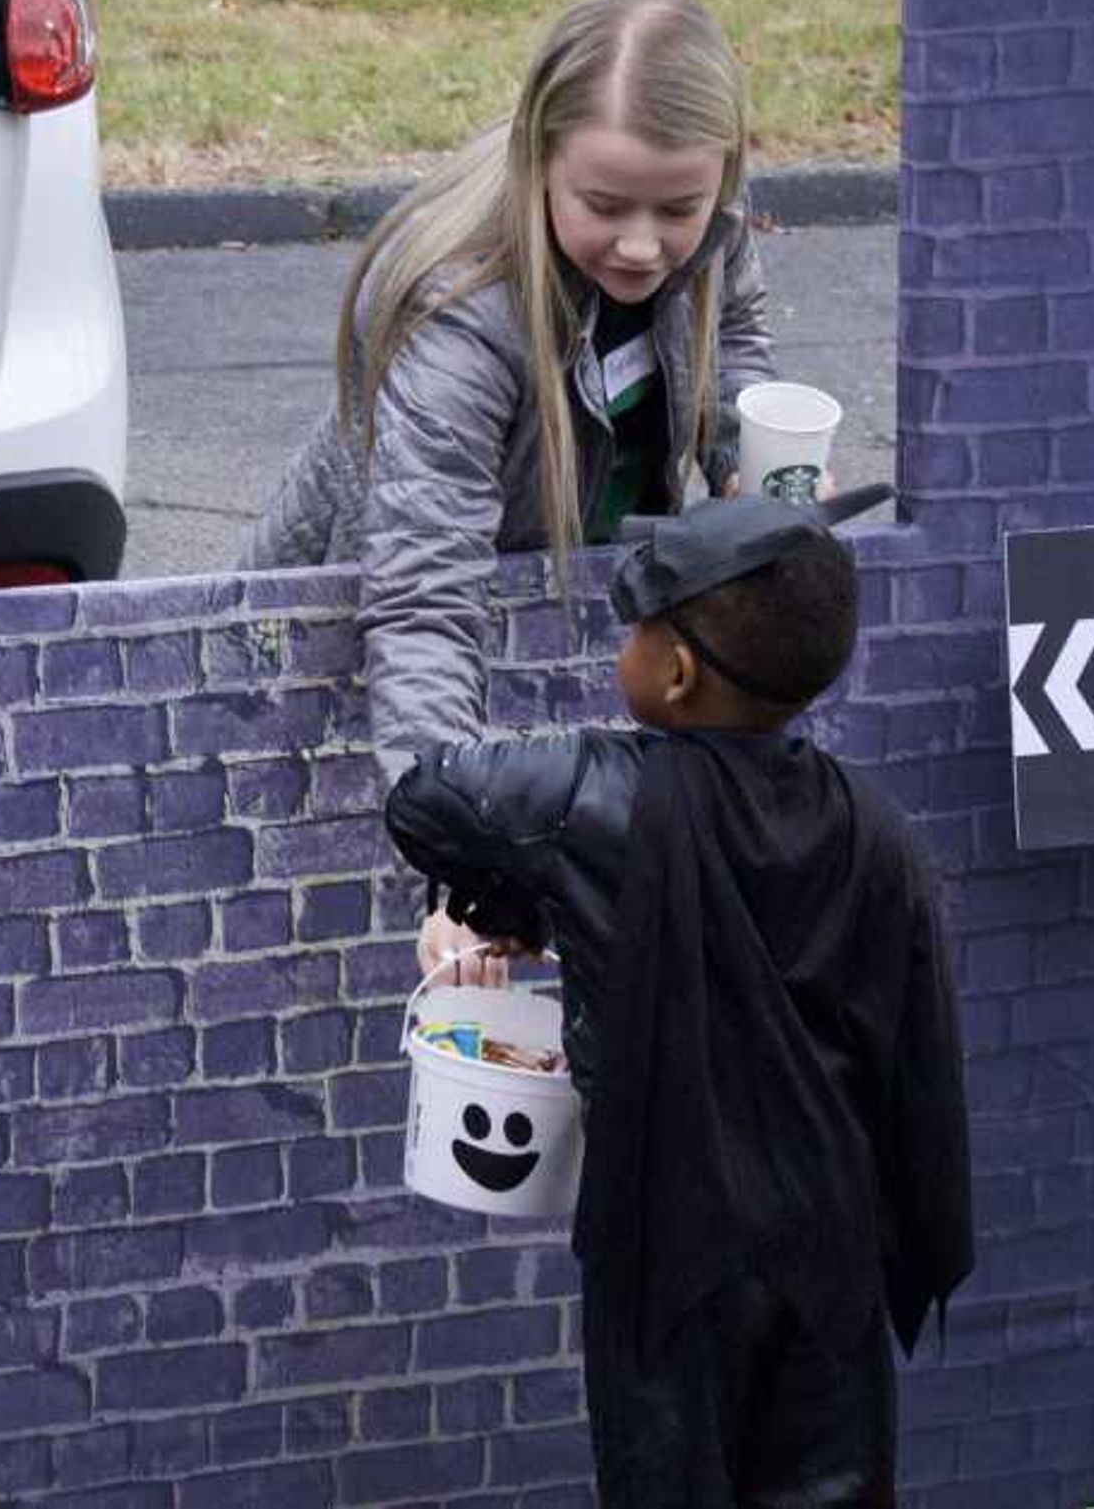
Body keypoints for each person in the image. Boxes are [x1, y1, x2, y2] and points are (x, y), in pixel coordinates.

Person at [386, 491, 971, 1508]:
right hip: (830, 1239)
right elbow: (907, 1063)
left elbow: (428, 796)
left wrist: (522, 894)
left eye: (637, 630)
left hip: (671, 1245)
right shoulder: (877, 829)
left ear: (678, 672)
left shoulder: (599, 797)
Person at [244, 0, 776, 786]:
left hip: (573, 614)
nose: (640, 243)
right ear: (539, 159)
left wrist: (743, 444)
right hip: (376, 651)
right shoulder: (458, 308)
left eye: (678, 208)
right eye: (603, 204)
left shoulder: (717, 221)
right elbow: (425, 593)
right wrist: (452, 834)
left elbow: (730, 334)